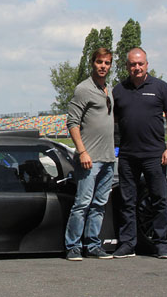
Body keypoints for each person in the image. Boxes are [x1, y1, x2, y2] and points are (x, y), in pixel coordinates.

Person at [112, 47, 167, 259]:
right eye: (133, 64)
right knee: (127, 201)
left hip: (155, 155)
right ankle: (127, 244)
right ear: (127, 66)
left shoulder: (160, 87)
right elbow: (112, 122)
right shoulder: (118, 90)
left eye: (140, 63)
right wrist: (114, 147)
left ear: (147, 65)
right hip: (128, 156)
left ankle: (161, 243)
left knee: (159, 199)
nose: (137, 67)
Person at [64, 48, 116, 260]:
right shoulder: (83, 89)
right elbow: (72, 123)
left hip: (108, 158)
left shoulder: (108, 89)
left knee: (99, 205)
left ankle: (93, 244)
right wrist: (82, 151)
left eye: (107, 63)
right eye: (99, 62)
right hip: (89, 159)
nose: (103, 66)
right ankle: (73, 246)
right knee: (82, 204)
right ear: (92, 63)